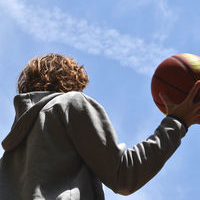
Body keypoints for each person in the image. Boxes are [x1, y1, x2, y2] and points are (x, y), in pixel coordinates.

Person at [0, 53, 200, 200]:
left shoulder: (11, 153)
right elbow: (124, 175)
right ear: (72, 79)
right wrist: (177, 121)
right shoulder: (71, 103)